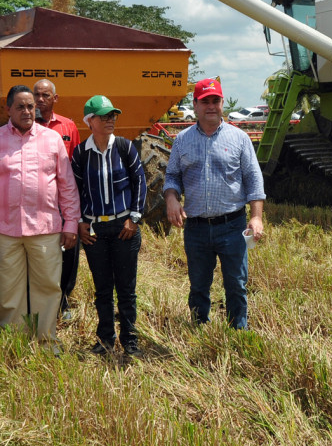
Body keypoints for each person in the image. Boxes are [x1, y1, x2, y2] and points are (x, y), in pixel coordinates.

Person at [0, 86, 79, 344]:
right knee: (9, 291)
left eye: (31, 106)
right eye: (20, 106)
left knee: (48, 287)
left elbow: (66, 185)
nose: (27, 111)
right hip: (4, 232)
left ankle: (46, 342)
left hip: (46, 229)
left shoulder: (51, 139)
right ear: (8, 109)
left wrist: (71, 223)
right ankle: (15, 344)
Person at [164, 78, 265, 329]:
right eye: (205, 101)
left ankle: (238, 332)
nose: (211, 106)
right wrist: (171, 198)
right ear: (195, 105)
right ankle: (199, 329)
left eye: (215, 101)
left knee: (236, 284)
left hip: (232, 225)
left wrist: (256, 216)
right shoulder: (182, 140)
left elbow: (253, 178)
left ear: (222, 104)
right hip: (196, 227)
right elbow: (172, 175)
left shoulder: (239, 138)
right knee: (198, 285)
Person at [71, 96, 145, 358]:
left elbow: (140, 182)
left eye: (113, 115)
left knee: (126, 289)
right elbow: (75, 190)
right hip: (95, 233)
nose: (110, 120)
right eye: (104, 116)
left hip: (124, 227)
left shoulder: (125, 147)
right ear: (89, 121)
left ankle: (130, 340)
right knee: (102, 289)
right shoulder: (80, 153)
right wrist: (80, 221)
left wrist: (134, 219)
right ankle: (105, 340)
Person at [33, 79, 83, 323]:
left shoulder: (68, 126)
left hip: (63, 203)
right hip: (37, 206)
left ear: (55, 98)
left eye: (45, 95)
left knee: (68, 254)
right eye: (36, 95)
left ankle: (63, 300)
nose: (40, 99)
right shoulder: (24, 125)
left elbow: (76, 166)